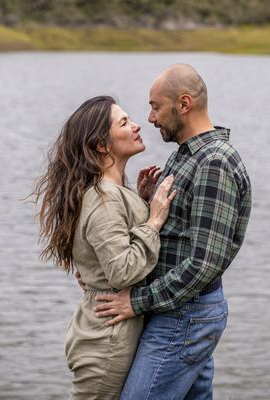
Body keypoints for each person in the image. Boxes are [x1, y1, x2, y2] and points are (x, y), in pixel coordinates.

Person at [94, 64, 252, 399]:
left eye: (155, 106)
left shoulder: (213, 163)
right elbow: (177, 232)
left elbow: (204, 263)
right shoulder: (187, 155)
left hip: (185, 316)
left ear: (183, 104)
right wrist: (147, 201)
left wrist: (136, 302)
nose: (149, 118)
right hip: (181, 312)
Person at [33, 95, 176, 399]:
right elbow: (122, 271)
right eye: (124, 122)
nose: (137, 125)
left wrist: (139, 201)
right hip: (107, 341)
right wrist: (152, 221)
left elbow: (105, 248)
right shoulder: (105, 198)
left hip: (105, 332)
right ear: (102, 144)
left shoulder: (111, 193)